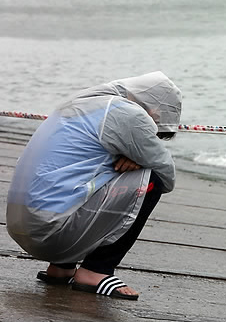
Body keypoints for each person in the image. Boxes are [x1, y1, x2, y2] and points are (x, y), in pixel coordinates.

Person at [6, 71, 182, 300]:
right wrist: (141, 160)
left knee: (87, 171)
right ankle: (96, 271)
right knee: (152, 179)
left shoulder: (82, 102)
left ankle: (61, 268)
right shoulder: (129, 114)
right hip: (51, 232)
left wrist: (133, 156)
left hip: (23, 227)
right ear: (154, 110)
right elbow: (167, 175)